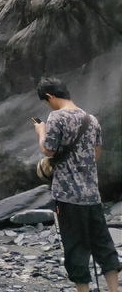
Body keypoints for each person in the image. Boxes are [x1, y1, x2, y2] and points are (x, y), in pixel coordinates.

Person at [34, 76, 120, 292]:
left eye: (46, 101)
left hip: (67, 197)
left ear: (50, 97)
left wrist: (41, 131)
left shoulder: (56, 117)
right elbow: (96, 154)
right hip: (92, 196)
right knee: (104, 245)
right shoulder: (92, 120)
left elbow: (49, 149)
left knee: (76, 248)